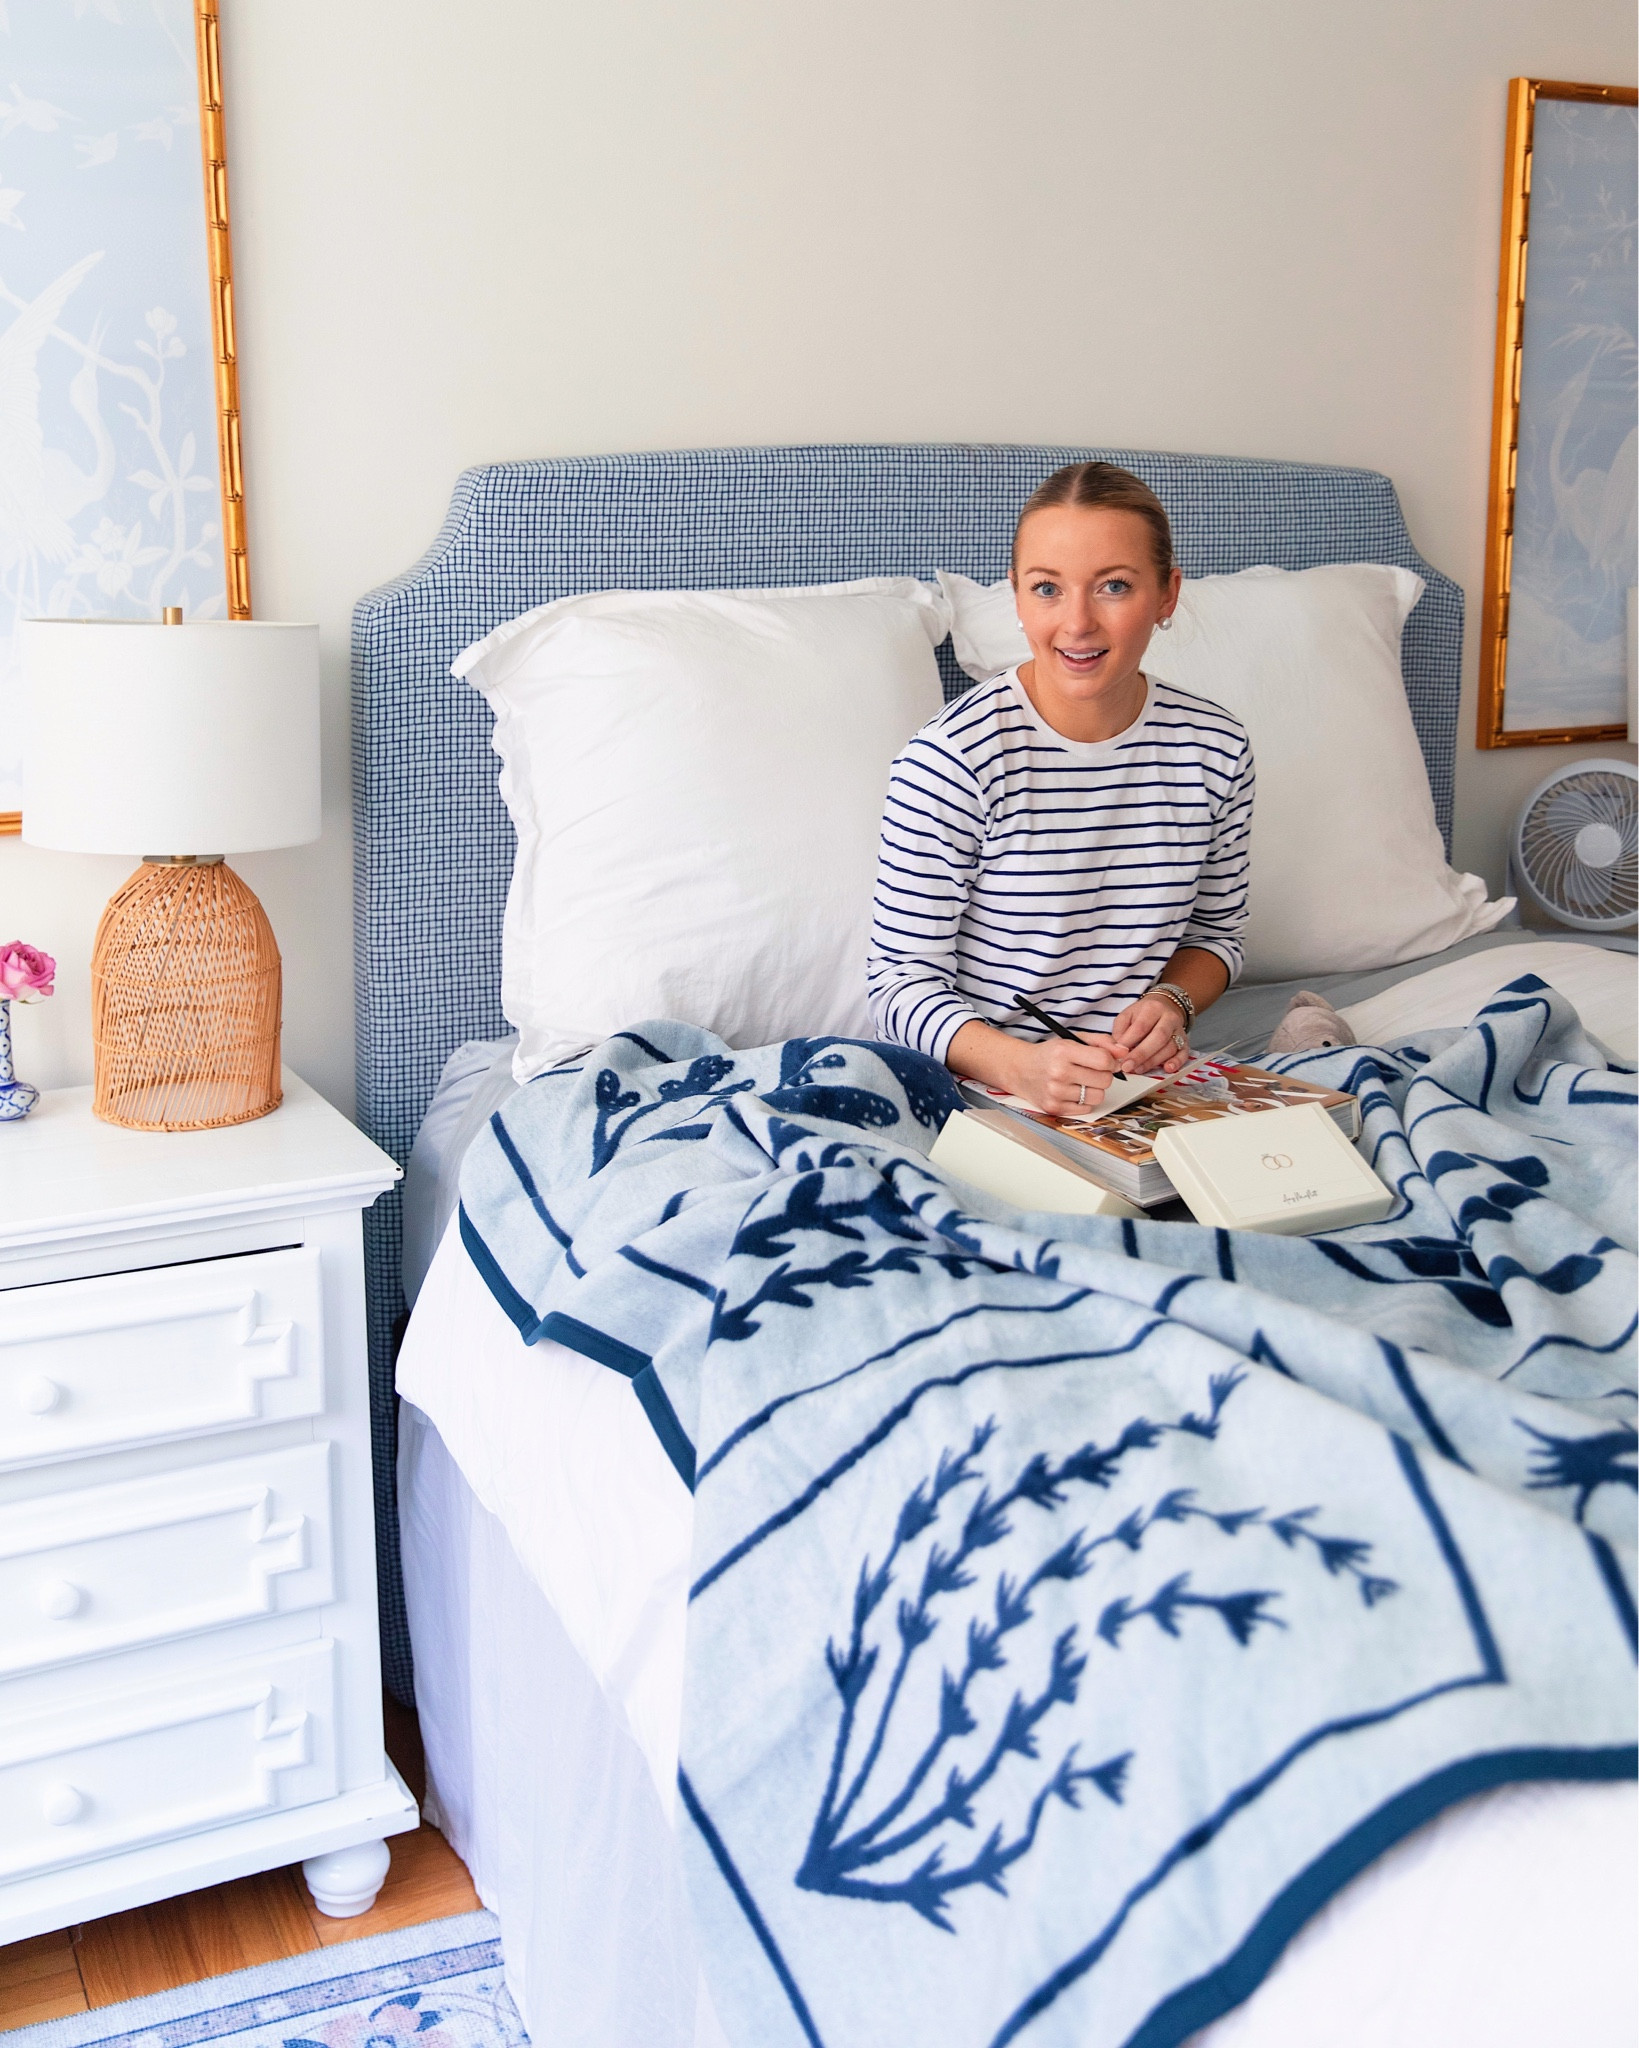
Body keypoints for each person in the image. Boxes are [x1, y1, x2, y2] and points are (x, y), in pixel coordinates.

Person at [867, 461, 1254, 1115]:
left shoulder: (1216, 749)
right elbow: (896, 988)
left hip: (1141, 1091)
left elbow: (1216, 935)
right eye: (1047, 589)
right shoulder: (950, 760)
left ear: (1165, 596)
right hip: (982, 1089)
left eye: (1112, 586)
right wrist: (1020, 1068)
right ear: (1015, 597)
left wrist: (1171, 1001)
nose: (1076, 623)